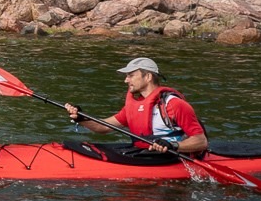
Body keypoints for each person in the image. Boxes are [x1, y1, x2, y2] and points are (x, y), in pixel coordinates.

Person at [62, 57, 208, 155]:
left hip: (170, 157)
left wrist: (174, 146)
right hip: (144, 154)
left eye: (131, 75)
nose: (126, 80)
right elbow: (104, 127)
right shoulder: (135, 106)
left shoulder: (174, 105)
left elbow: (201, 141)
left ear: (148, 77)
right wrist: (81, 118)